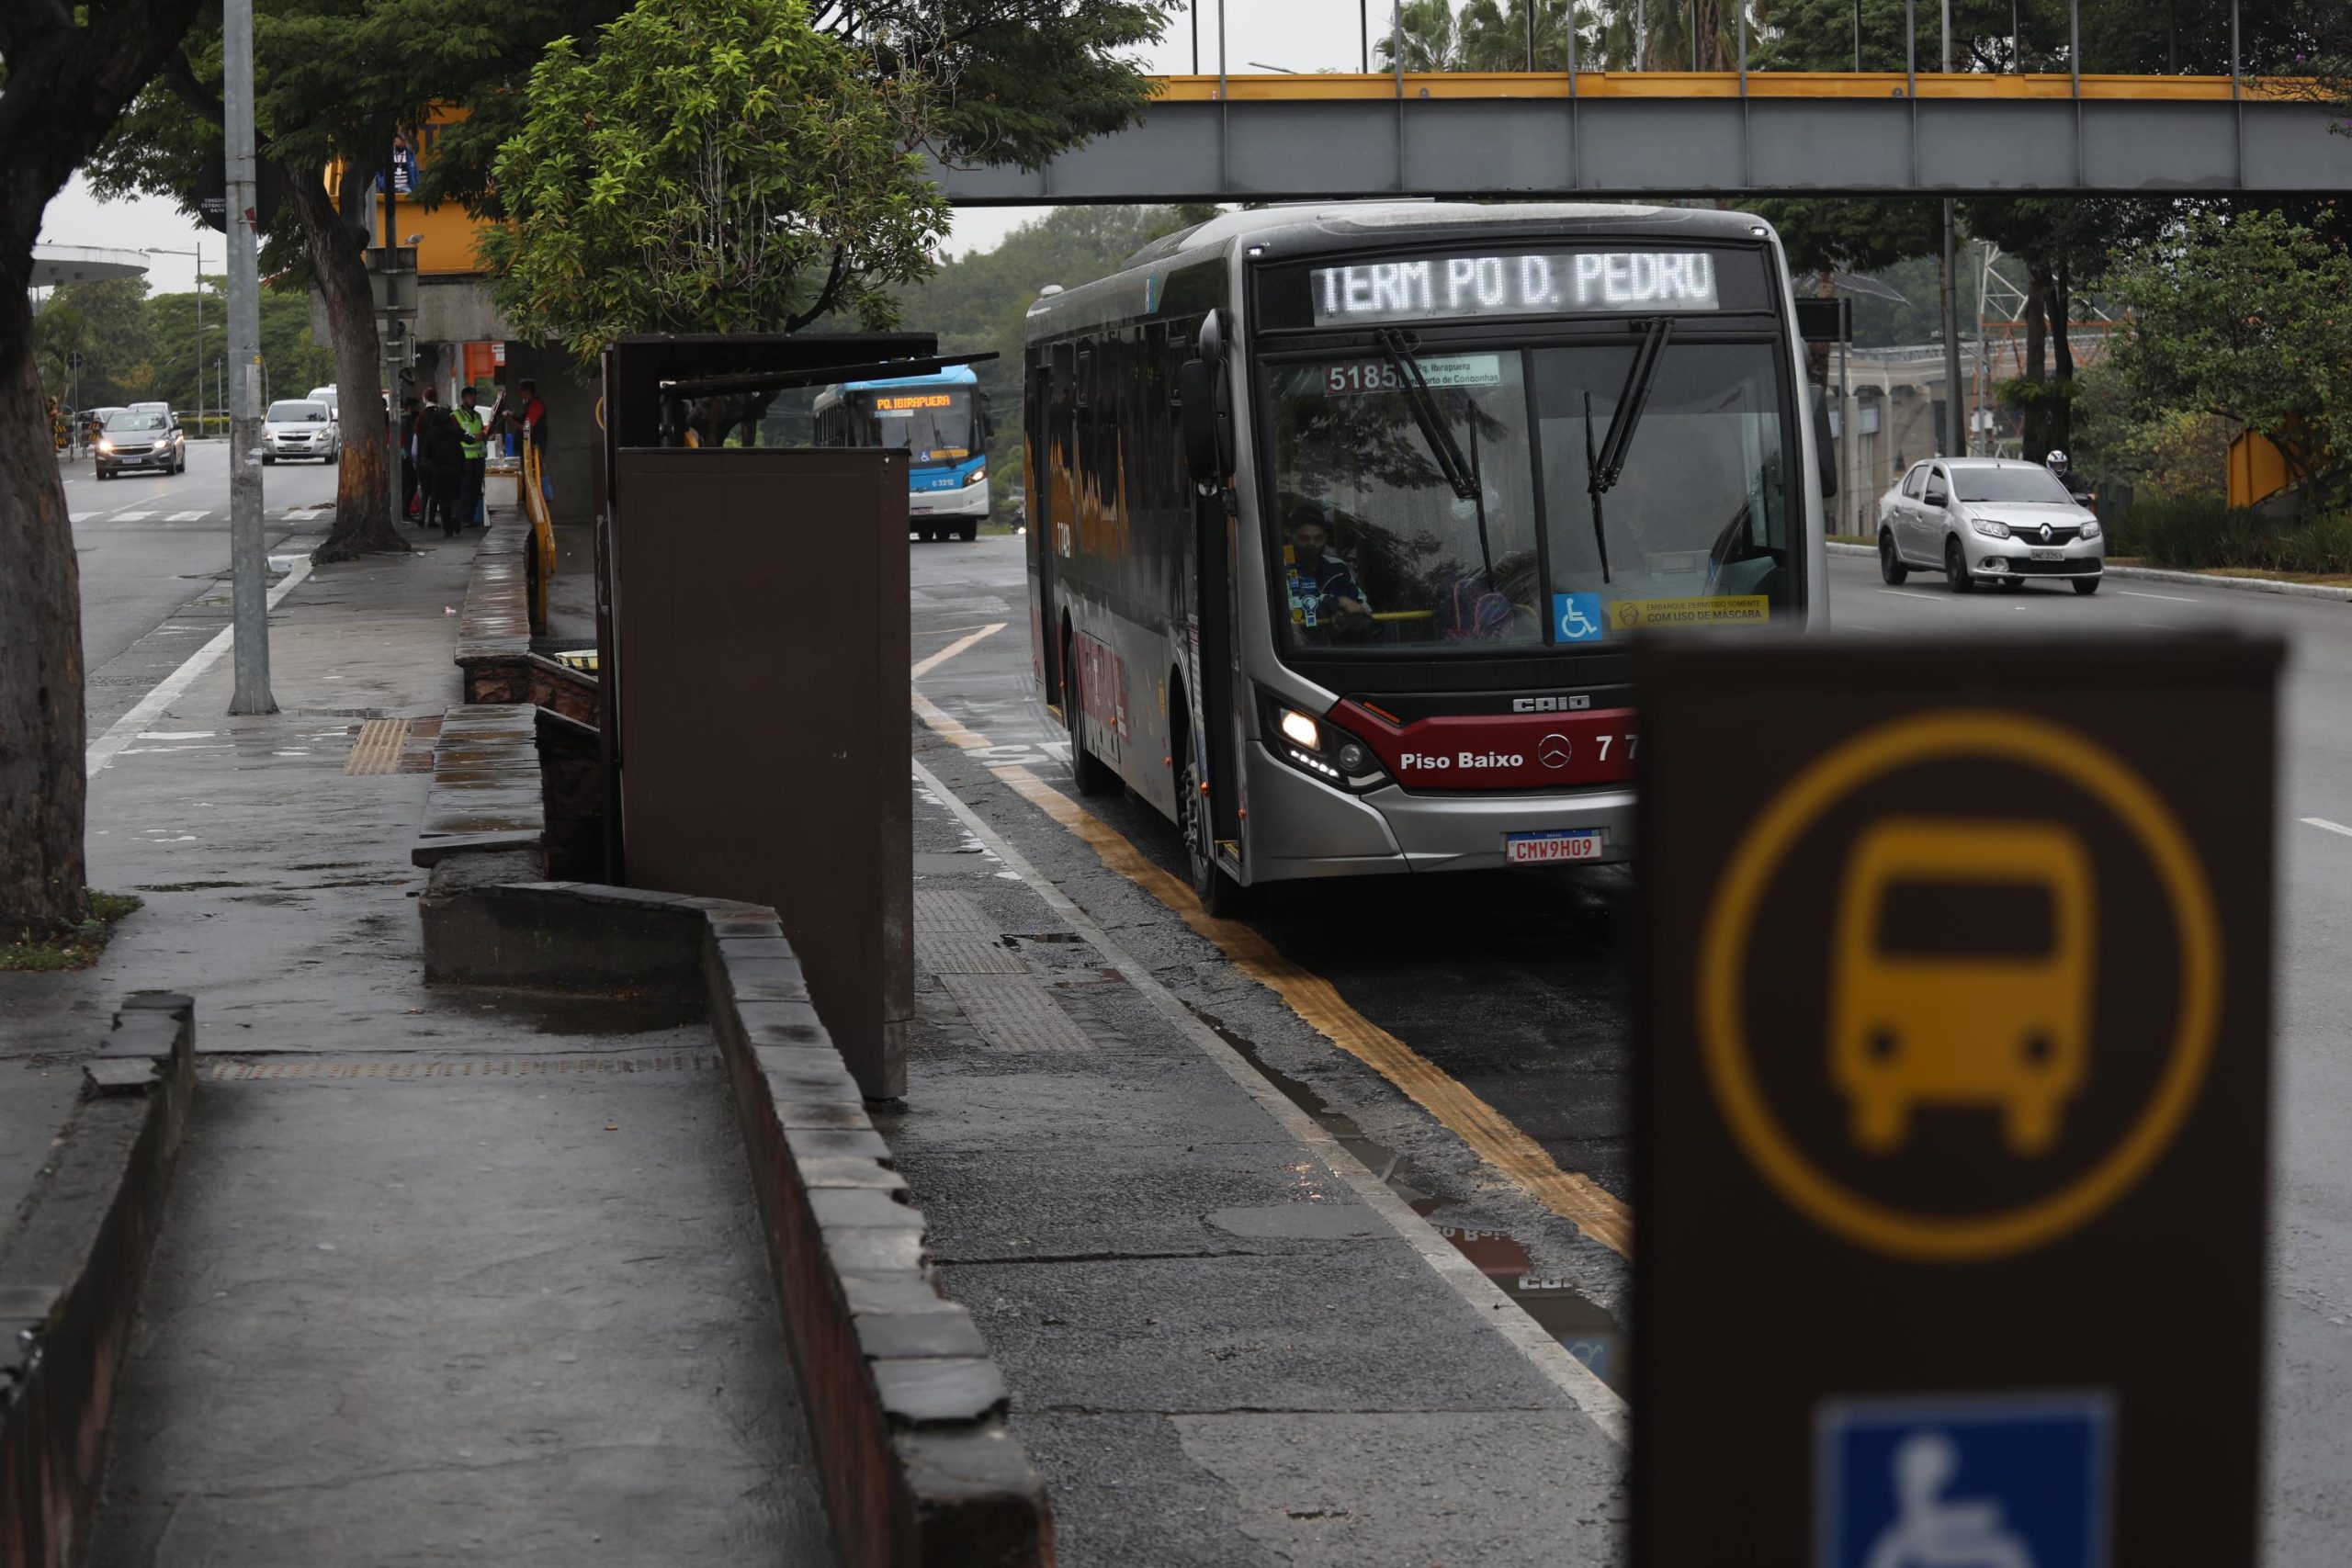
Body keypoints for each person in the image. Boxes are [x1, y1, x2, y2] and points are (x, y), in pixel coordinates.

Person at [1284, 506, 1371, 637]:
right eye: (1304, 539)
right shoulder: (1281, 569)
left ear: (1325, 539)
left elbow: (1362, 606)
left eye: (1318, 539)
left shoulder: (1338, 567)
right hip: (1298, 645)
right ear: (1291, 540)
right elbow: (1292, 609)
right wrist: (1338, 602)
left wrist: (1343, 613)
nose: (1312, 544)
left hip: (1339, 644)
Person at [415, 388, 465, 537]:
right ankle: (454, 516)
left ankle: (444, 528)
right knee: (454, 496)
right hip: (454, 468)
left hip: (436, 468)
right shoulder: (454, 431)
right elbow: (467, 439)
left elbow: (423, 451)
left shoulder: (429, 430)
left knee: (437, 497)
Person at [454, 386, 488, 527]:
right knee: (465, 489)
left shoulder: (478, 416)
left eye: (475, 395)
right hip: (465, 459)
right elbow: (454, 435)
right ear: (463, 398)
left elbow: (482, 432)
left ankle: (470, 517)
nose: (474, 398)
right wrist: (474, 437)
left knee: (475, 489)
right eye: (470, 396)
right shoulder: (456, 415)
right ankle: (462, 518)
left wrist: (483, 435)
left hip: (478, 457)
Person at [518, 378, 549, 503]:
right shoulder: (530, 405)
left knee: (534, 475)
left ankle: (535, 500)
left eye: (521, 391)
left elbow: (527, 428)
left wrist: (511, 421)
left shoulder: (535, 406)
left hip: (534, 447)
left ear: (527, 392)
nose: (520, 394)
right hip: (531, 447)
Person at [398, 397, 422, 522]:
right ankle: (405, 512)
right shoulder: (405, 421)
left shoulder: (405, 420)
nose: (417, 410)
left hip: (404, 456)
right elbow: (407, 441)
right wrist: (410, 457)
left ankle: (404, 511)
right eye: (416, 407)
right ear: (410, 407)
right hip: (405, 457)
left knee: (407, 484)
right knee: (411, 484)